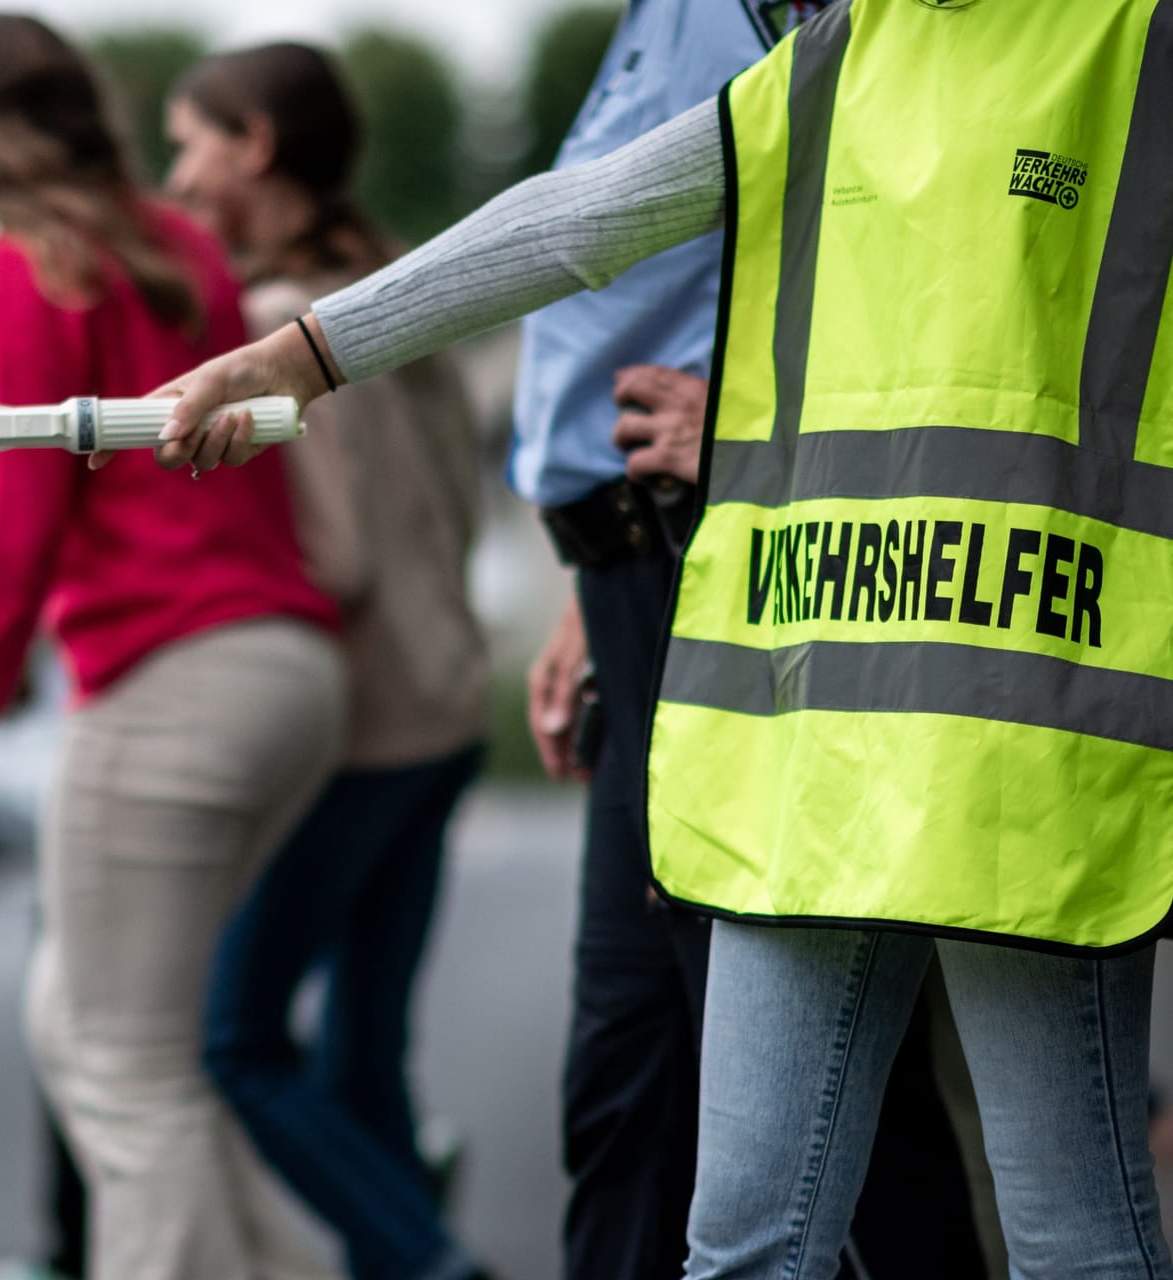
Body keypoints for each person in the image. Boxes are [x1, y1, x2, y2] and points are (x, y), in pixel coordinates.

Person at [148, 1, 1173, 1274]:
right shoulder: (837, 53)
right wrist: (304, 354)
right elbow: (577, 222)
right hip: (811, 723)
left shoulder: (1131, 40)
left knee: (1068, 1243)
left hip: (1016, 736)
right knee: (748, 1246)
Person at [510, 4, 986, 1278]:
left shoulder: (789, 12)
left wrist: (763, 419)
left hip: (719, 549)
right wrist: (581, 590)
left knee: (812, 1084)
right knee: (632, 1065)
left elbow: (939, 231)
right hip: (625, 565)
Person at [0, 15, 344, 1280]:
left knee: (125, 1069)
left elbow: (4, 536)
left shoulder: (20, 270)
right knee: (89, 1029)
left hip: (175, 683)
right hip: (288, 672)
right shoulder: (180, 242)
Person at [163, 43, 491, 1280]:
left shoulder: (265, 329)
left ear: (254, 148)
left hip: (362, 727)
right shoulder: (393, 285)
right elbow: (455, 503)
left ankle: (430, 1261)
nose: (176, 171)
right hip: (448, 699)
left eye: (190, 140)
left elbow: (336, 556)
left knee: (236, 1038)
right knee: (366, 1052)